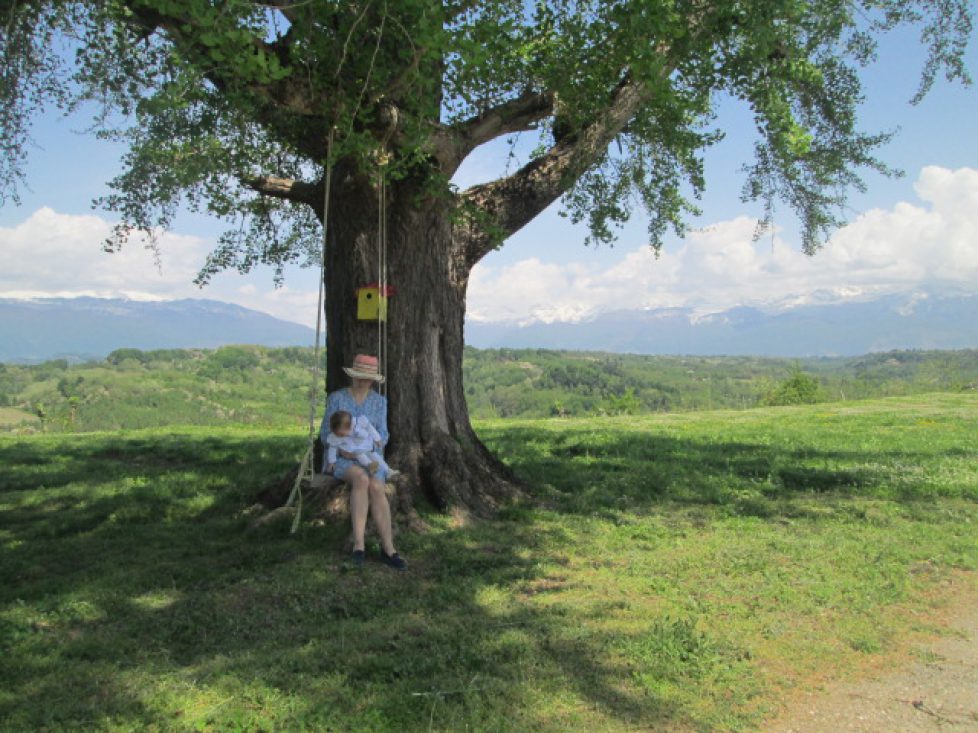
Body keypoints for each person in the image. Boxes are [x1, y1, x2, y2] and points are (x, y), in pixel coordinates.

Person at [321, 353, 406, 570]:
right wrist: (344, 450)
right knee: (361, 479)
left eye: (367, 377)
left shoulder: (379, 402)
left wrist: (370, 446)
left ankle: (388, 548)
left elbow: (384, 434)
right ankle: (359, 545)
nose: (363, 381)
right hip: (341, 457)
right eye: (359, 376)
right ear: (353, 376)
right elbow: (325, 434)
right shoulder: (337, 398)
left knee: (377, 486)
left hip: (369, 457)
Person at [324, 409, 397, 477]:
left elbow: (370, 428)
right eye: (338, 434)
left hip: (364, 444)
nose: (339, 436)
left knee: (374, 455)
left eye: (341, 434)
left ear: (348, 427)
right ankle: (370, 465)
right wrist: (331, 462)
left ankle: (388, 470)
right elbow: (332, 448)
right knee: (360, 455)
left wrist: (377, 439)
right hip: (354, 450)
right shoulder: (336, 436)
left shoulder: (358, 423)